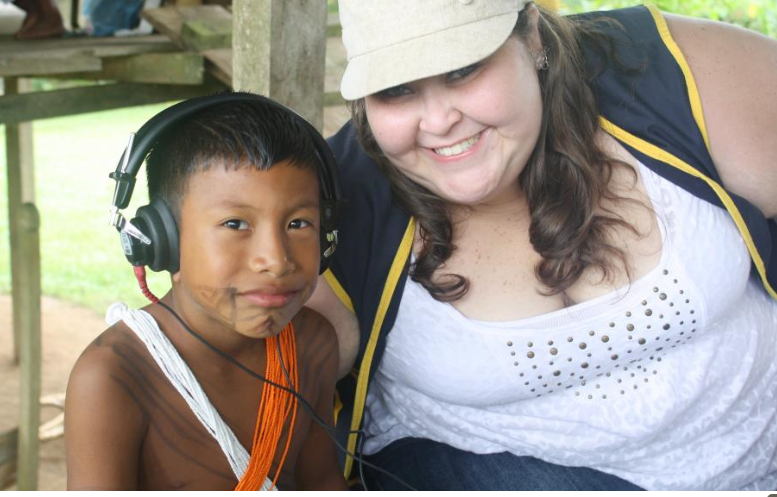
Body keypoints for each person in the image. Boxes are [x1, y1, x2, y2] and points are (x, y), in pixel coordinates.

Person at [306, 0, 777, 491]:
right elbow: (262, 396)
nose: (439, 120)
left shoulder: (670, 70)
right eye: (396, 91)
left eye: (463, 69)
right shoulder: (333, 205)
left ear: (531, 35)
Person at [65, 94, 348, 491]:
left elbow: (321, 482)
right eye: (235, 224)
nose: (275, 260)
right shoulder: (113, 378)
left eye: (299, 223)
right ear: (160, 239)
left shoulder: (313, 342)